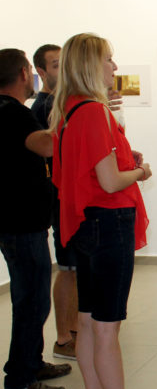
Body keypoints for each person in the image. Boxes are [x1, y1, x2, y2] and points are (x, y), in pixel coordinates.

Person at [51, 33, 156, 389]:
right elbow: (110, 181)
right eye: (108, 59)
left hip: (84, 224)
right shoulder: (94, 111)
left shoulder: (68, 110)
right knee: (108, 328)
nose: (114, 67)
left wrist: (125, 161)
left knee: (88, 321)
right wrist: (140, 172)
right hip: (109, 223)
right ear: (90, 65)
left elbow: (82, 173)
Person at [0, 48, 71, 389]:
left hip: (18, 220)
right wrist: (68, 117)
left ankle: (31, 363)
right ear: (25, 73)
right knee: (32, 301)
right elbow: (46, 146)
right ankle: (20, 381)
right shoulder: (12, 112)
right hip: (21, 223)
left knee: (30, 298)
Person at [31, 43, 79, 361]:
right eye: (55, 65)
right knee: (68, 269)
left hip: (67, 198)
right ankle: (64, 339)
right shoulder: (43, 107)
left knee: (74, 269)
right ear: (40, 71)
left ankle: (73, 333)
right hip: (58, 200)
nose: (62, 71)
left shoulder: (60, 103)